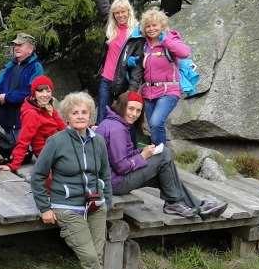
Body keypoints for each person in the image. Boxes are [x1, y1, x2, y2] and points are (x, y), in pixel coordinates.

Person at [30, 92, 127, 269]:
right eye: (75, 112)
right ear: (67, 116)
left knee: (94, 258)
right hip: (67, 207)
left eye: (84, 112)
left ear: (90, 115)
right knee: (90, 258)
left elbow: (105, 174)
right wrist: (44, 207)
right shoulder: (56, 141)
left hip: (96, 206)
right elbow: (38, 176)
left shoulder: (97, 142)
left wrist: (107, 201)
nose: (80, 116)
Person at [96, 91, 227, 218]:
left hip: (111, 180)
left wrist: (141, 152)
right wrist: (143, 156)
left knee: (166, 175)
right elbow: (121, 167)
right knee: (164, 154)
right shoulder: (116, 129)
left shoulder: (113, 123)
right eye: (130, 109)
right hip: (115, 183)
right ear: (121, 106)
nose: (134, 114)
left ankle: (198, 205)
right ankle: (174, 203)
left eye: (138, 110)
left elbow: (120, 156)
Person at [87, 0, 145, 123]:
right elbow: (103, 3)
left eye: (123, 12)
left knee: (125, 120)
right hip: (106, 79)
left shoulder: (136, 34)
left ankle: (126, 147)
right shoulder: (111, 27)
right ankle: (100, 146)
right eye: (117, 13)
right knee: (102, 118)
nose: (120, 15)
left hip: (124, 83)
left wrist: (132, 91)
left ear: (129, 12)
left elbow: (138, 66)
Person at [0, 32, 44, 163]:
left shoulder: (36, 68)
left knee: (23, 151)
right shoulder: (10, 66)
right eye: (15, 45)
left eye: (20, 45)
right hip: (7, 116)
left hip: (23, 117)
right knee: (9, 149)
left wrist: (8, 97)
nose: (16, 48)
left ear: (30, 49)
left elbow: (32, 93)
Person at [139, 7, 191, 145]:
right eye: (148, 26)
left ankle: (162, 156)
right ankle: (160, 154)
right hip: (149, 92)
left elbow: (185, 52)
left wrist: (165, 40)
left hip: (168, 91)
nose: (151, 29)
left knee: (156, 122)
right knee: (152, 126)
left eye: (154, 25)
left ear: (162, 25)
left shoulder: (170, 38)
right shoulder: (145, 45)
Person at [0, 75, 65, 173]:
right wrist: (13, 165)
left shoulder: (45, 106)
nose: (45, 95)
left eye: (48, 91)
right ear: (33, 93)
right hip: (49, 154)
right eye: (40, 91)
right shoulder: (31, 113)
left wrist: (52, 113)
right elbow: (24, 140)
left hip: (59, 147)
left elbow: (63, 128)